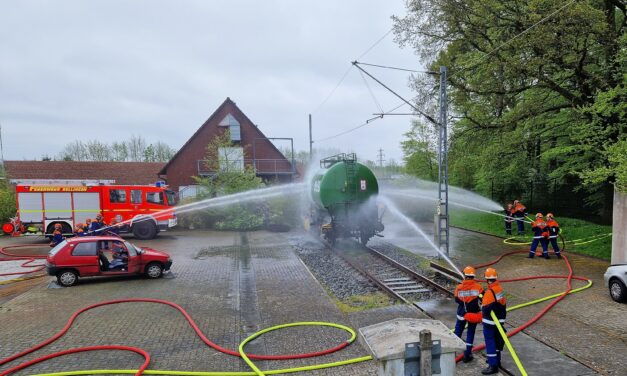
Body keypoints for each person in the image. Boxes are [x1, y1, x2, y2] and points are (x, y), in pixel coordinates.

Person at [453, 266, 484, 363]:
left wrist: (464, 301)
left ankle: (453, 352)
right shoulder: (478, 287)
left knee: (458, 332)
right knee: (470, 333)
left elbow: (456, 300)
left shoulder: (459, 287)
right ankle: (467, 355)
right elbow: (483, 297)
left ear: (465, 276)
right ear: (473, 276)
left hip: (462, 313)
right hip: (473, 314)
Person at [481, 267, 507, 375]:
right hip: (499, 321)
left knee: (490, 342)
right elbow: (500, 304)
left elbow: (486, 309)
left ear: (487, 279)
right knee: (497, 341)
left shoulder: (489, 292)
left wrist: (482, 304)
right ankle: (497, 362)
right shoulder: (499, 289)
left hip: (490, 322)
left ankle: (492, 365)